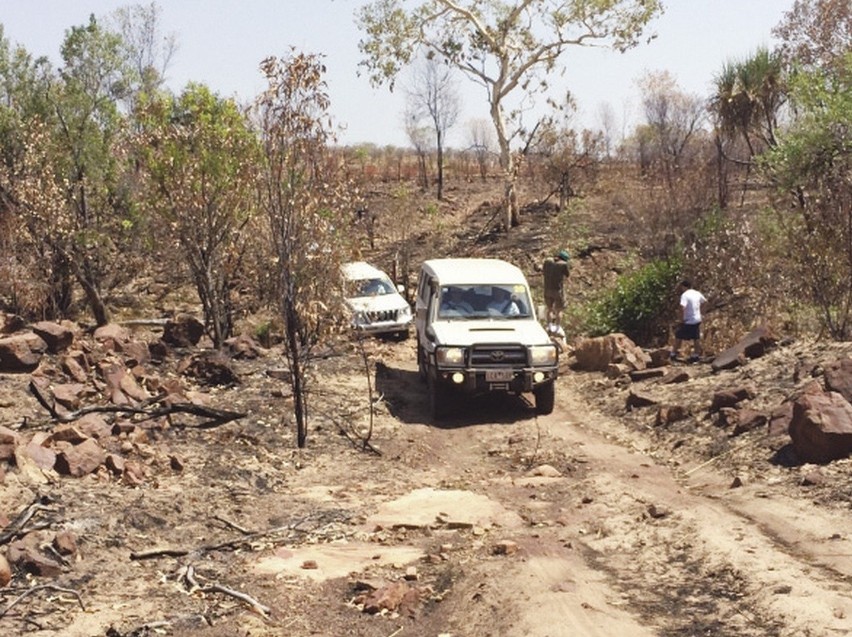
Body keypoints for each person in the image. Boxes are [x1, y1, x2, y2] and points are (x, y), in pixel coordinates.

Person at [670, 279, 707, 363]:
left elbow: (682, 307)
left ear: (684, 287)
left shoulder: (685, 295)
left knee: (678, 336)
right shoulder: (697, 293)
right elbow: (705, 302)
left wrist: (681, 319)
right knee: (696, 337)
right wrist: (701, 312)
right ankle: (696, 355)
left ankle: (673, 354)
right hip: (697, 319)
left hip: (688, 320)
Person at [543, 249, 571, 328]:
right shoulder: (563, 264)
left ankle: (549, 325)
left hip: (547, 290)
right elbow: (567, 276)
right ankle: (557, 328)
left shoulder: (547, 261)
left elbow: (543, 271)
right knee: (559, 310)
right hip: (557, 291)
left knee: (549, 309)